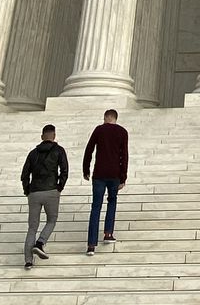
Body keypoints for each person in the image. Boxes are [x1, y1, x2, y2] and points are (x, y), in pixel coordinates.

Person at [20, 124, 69, 269]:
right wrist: (59, 187)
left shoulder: (33, 153)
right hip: (51, 190)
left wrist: (27, 190)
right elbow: (64, 171)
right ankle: (40, 243)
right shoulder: (59, 150)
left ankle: (28, 261)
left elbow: (24, 175)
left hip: (34, 192)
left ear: (42, 137)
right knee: (51, 220)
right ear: (54, 136)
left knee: (32, 227)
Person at [81, 109, 129, 256]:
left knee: (96, 207)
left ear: (105, 117)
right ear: (115, 118)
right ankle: (108, 233)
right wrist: (123, 177)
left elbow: (89, 149)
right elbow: (124, 156)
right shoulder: (122, 132)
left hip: (99, 174)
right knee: (112, 201)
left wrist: (86, 169)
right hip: (114, 174)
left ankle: (91, 245)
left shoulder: (99, 130)